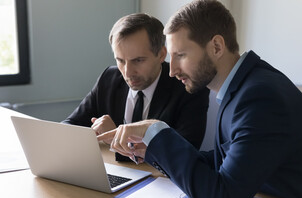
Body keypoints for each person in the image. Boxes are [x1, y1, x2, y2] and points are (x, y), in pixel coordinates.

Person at [97, 0, 302, 198]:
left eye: (181, 55)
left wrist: (155, 130)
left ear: (217, 47)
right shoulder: (243, 86)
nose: (172, 70)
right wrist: (153, 149)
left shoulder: (260, 97)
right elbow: (226, 161)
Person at [63, 13, 210, 162]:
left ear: (161, 54)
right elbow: (68, 127)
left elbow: (185, 153)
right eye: (120, 60)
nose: (127, 72)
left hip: (160, 181)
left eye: (138, 60)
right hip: (116, 172)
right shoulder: (109, 78)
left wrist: (118, 139)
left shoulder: (188, 87)